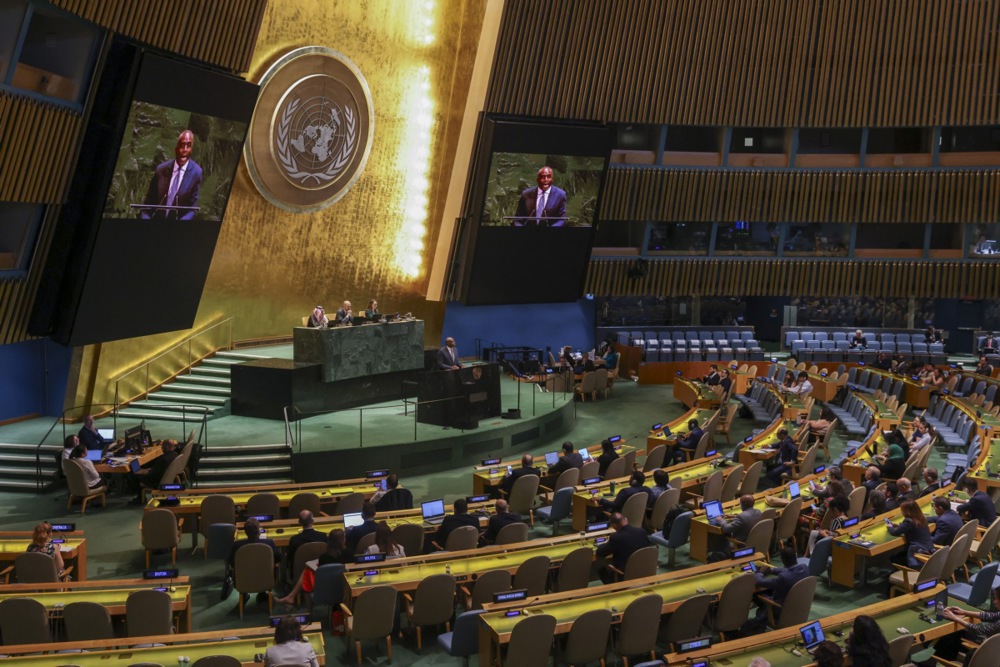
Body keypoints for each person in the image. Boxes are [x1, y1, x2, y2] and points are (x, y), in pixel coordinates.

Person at [927, 586, 1000, 665]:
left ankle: (934, 661)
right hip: (993, 644)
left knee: (953, 636)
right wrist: (964, 612)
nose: (994, 601)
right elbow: (991, 616)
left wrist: (955, 618)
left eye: (996, 598)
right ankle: (935, 660)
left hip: (989, 647)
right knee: (955, 633)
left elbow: (979, 630)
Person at [744, 546, 809, 632]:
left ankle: (761, 619)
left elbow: (760, 581)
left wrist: (759, 572)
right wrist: (771, 570)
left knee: (756, 594)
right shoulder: (804, 568)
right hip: (798, 605)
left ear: (782, 560)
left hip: (780, 608)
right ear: (796, 556)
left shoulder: (783, 578)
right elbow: (788, 570)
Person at [141, 129, 202, 220]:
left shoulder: (196, 172)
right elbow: (147, 205)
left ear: (192, 149)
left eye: (188, 145)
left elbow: (191, 210)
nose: (185, 150)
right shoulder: (160, 170)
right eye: (182, 145)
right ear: (176, 148)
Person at [275, 529, 347, 605]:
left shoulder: (323, 558)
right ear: (343, 540)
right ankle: (291, 597)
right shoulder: (349, 555)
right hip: (344, 587)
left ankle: (304, 605)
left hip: (324, 587)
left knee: (307, 572)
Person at [228, 518, 279, 606]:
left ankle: (245, 593)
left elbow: (231, 563)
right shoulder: (269, 543)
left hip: (243, 580)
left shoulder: (236, 545)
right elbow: (278, 559)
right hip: (266, 579)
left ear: (245, 532)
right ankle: (262, 593)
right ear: (259, 531)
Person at [595, 512, 650, 583]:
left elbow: (600, 553)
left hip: (624, 575)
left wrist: (603, 545)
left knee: (600, 569)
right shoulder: (642, 532)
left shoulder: (616, 538)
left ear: (614, 526)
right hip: (644, 571)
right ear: (626, 520)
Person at [710, 494, 763, 560]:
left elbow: (727, 529)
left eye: (740, 503)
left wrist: (721, 520)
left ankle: (714, 557)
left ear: (743, 504)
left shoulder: (741, 517)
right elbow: (748, 518)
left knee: (722, 539)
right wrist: (734, 516)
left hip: (741, 544)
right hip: (754, 541)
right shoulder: (758, 512)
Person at [886, 499, 934, 567]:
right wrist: (899, 526)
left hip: (917, 553)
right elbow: (912, 528)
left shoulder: (908, 521)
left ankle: (904, 571)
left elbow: (894, 532)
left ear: (907, 511)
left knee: (893, 557)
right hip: (929, 550)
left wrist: (889, 527)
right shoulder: (921, 518)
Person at [131, 439, 179, 504]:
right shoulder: (175, 454)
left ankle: (140, 498)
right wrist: (149, 469)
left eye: (163, 446)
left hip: (156, 481)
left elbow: (153, 473)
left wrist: (144, 471)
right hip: (165, 477)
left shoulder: (163, 459)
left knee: (133, 475)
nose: (162, 448)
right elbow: (157, 469)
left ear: (167, 447)